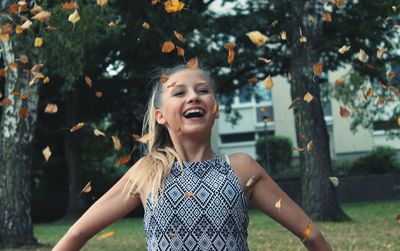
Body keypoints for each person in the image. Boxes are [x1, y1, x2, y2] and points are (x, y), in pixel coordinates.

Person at [53, 65, 333, 251]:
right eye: (179, 92)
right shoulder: (147, 172)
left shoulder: (241, 168)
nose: (194, 97)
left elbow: (311, 234)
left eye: (203, 90)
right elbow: (76, 234)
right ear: (160, 115)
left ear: (215, 109)